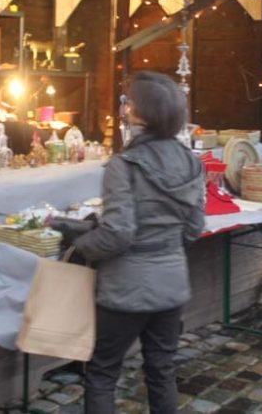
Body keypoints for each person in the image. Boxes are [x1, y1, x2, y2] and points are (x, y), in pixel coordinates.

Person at [71, 71, 205, 413]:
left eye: (128, 101)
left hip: (126, 287)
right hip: (171, 284)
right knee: (162, 370)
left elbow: (118, 233)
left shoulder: (124, 164)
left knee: (102, 371)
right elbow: (194, 227)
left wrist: (82, 242)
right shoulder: (190, 161)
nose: (124, 107)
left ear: (141, 112)